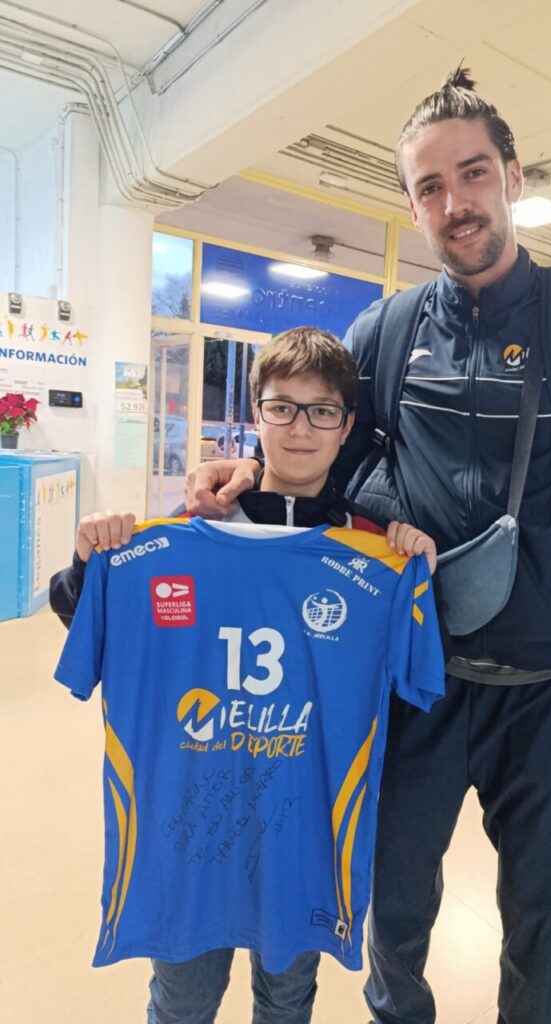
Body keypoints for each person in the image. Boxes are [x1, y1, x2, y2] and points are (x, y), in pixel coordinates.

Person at [184, 68, 551, 1024]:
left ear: (513, 177)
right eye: (429, 188)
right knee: (393, 914)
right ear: (411, 204)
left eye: (472, 174)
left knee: (547, 927)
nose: (455, 203)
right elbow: (328, 459)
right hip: (414, 683)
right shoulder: (389, 330)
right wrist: (247, 474)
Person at [50, 327, 438, 1024]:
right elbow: (85, 616)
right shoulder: (191, 527)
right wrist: (91, 558)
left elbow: (414, 686)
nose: (300, 427)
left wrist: (411, 573)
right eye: (281, 407)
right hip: (187, 834)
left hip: (302, 839)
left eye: (321, 411)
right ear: (255, 415)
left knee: (287, 1000)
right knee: (183, 1002)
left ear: (347, 425)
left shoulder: (374, 551)